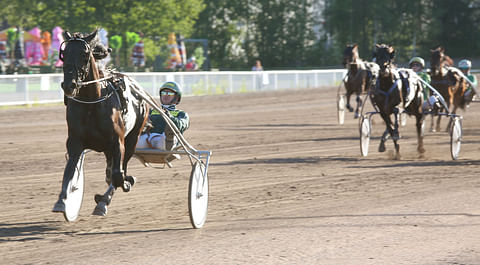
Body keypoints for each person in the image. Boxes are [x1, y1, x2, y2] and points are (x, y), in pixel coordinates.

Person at [136, 81, 189, 151]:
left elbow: (182, 125)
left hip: (165, 140)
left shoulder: (181, 114)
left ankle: (169, 139)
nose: (166, 95)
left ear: (177, 97)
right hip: (148, 138)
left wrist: (170, 118)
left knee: (166, 136)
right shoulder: (151, 111)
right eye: (164, 93)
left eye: (170, 93)